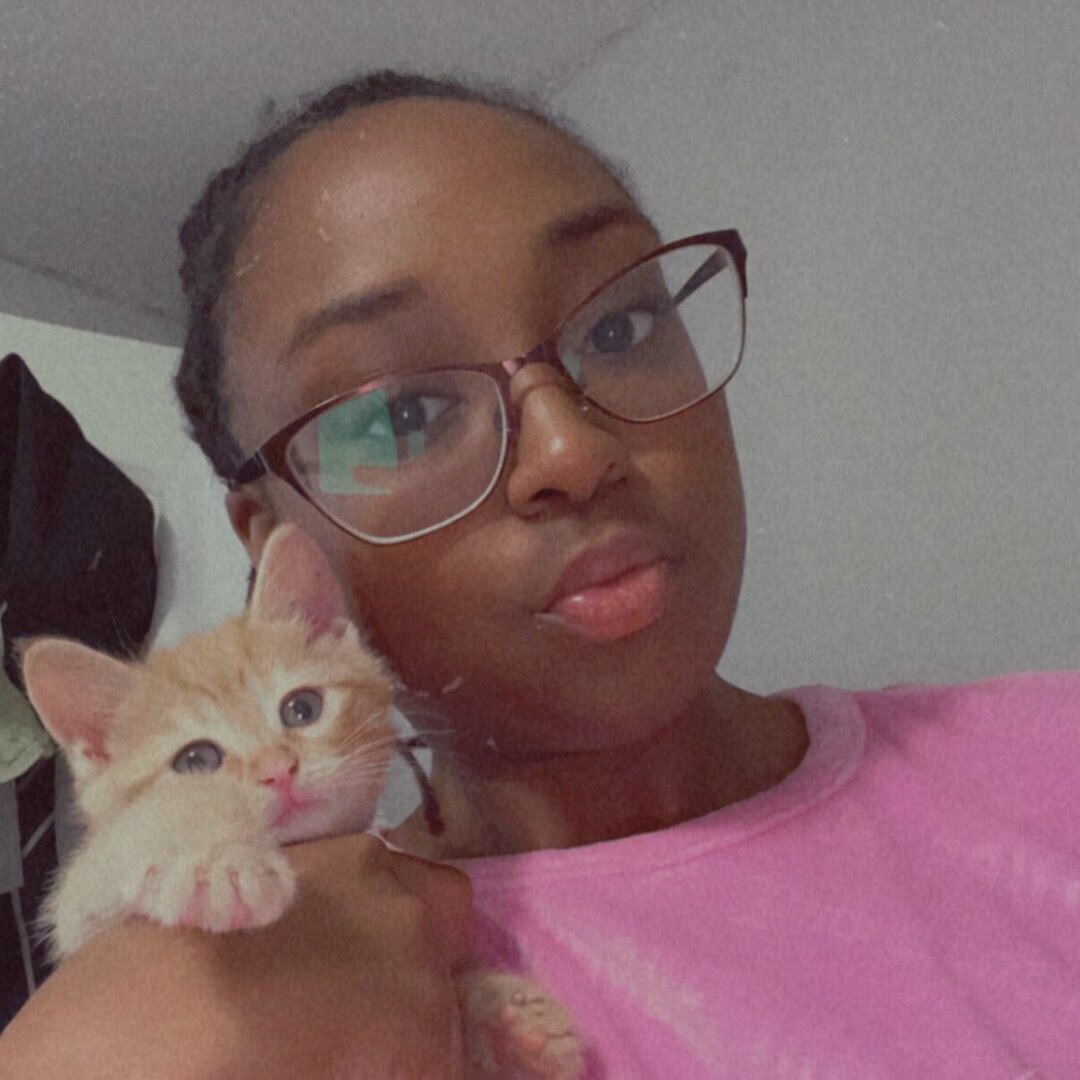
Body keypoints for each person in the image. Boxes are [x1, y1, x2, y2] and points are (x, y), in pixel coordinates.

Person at [2, 69, 1077, 1078]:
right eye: (405, 414)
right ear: (277, 533)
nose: (571, 450)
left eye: (619, 324)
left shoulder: (1048, 751)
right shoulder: (280, 986)